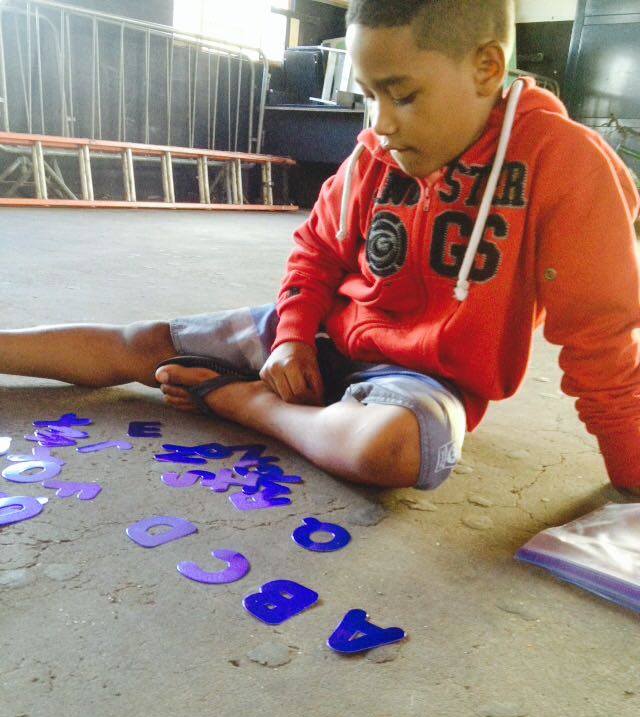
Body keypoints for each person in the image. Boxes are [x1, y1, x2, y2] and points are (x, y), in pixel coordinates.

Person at [2, 0, 640, 495]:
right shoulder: (374, 152)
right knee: (144, 342)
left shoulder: (566, 165)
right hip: (323, 337)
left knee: (391, 451)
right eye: (369, 96)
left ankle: (239, 400)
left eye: (402, 94)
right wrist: (292, 338)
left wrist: (631, 467)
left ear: (486, 69)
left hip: (422, 380)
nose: (381, 123)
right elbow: (316, 251)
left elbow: (601, 337)